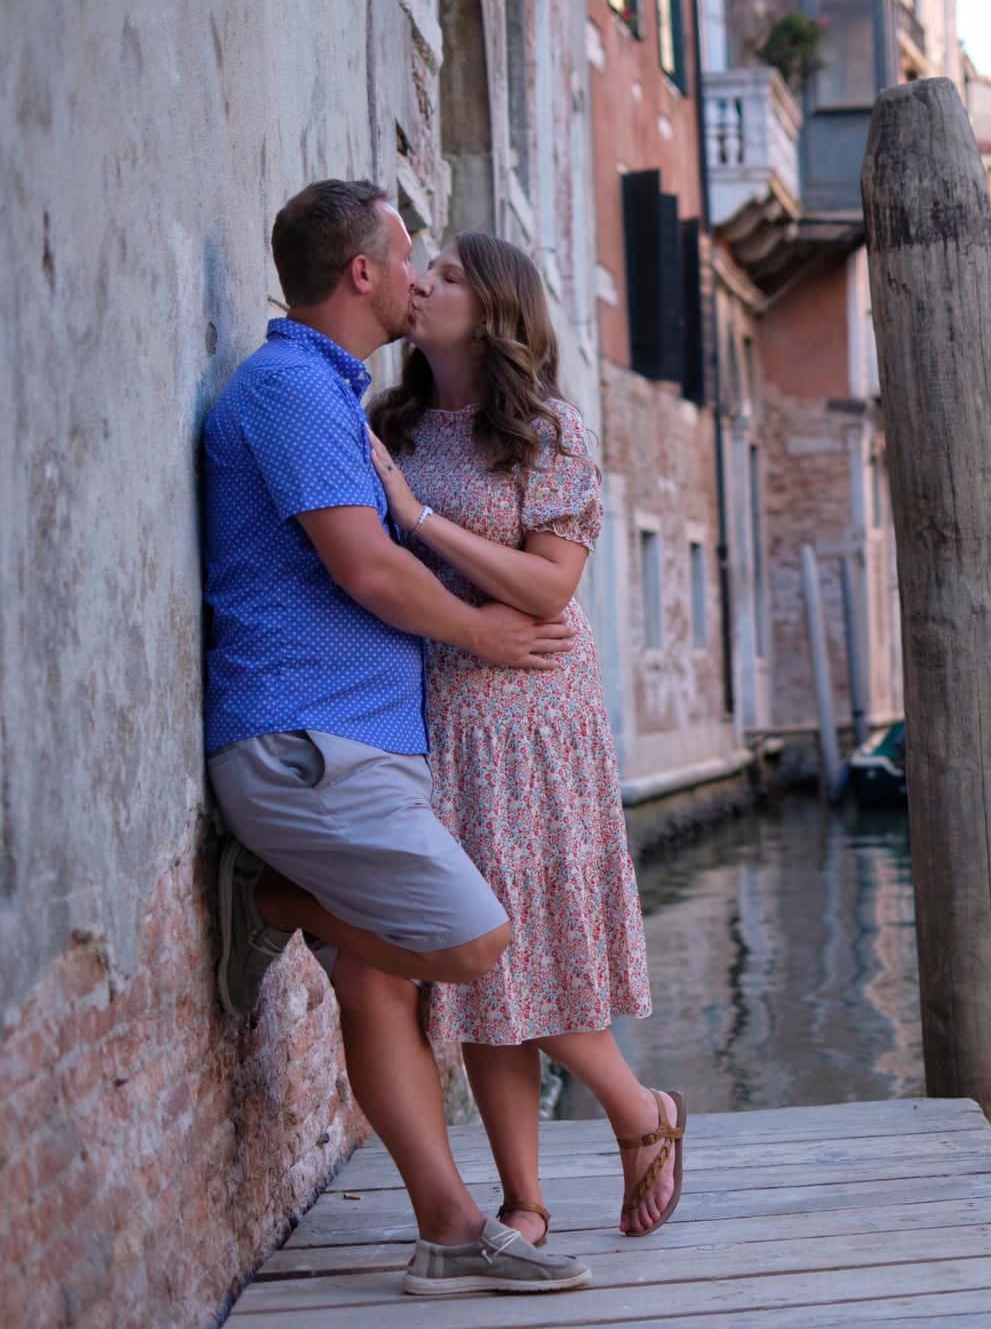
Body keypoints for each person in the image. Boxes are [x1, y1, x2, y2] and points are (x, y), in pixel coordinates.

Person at [203, 181, 590, 1296]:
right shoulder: (292, 390)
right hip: (310, 746)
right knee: (473, 945)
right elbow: (363, 567)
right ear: (363, 273)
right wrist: (479, 631)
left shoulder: (340, 399)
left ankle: (450, 1227)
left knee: (379, 985)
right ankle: (263, 898)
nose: (421, 276)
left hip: (352, 746)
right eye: (408, 255)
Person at [365, 231, 686, 1249]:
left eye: (449, 274)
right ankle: (529, 1198)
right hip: (437, 712)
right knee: (479, 964)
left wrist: (415, 514)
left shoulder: (548, 429)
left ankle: (637, 1112)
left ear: (497, 307)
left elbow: (550, 585)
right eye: (426, 269)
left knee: (525, 947)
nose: (423, 282)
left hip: (536, 714)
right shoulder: (391, 422)